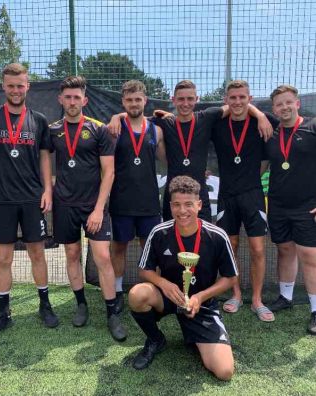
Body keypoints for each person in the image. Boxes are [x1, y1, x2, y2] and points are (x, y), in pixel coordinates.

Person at [109, 80, 272, 222]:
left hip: (200, 196)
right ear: (173, 100)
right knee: (171, 244)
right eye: (181, 99)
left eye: (189, 99)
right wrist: (117, 117)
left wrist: (260, 116)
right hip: (172, 196)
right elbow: (136, 116)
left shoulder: (207, 117)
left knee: (203, 244)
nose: (185, 103)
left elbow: (236, 105)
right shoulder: (165, 122)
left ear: (196, 99)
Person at [0, 63, 58, 340]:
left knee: (38, 253)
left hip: (33, 198)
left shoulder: (39, 120)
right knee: (3, 258)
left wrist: (47, 190)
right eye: (10, 85)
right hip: (1, 198)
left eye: (20, 85)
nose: (15, 90)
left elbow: (46, 157)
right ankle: (3, 313)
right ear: (3, 86)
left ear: (27, 86)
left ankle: (44, 305)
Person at [129, 176, 237, 380]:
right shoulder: (159, 232)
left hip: (201, 304)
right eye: (177, 205)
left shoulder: (217, 236)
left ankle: (196, 334)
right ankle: (155, 340)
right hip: (169, 297)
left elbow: (230, 279)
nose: (182, 211)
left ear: (199, 205)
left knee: (225, 372)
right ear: (170, 206)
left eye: (188, 204)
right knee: (137, 294)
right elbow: (145, 270)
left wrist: (200, 297)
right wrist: (164, 284)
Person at [49, 75, 126, 341]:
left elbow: (109, 172)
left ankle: (112, 311)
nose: (72, 102)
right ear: (61, 99)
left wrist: (98, 209)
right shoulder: (52, 130)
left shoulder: (99, 129)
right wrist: (50, 190)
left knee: (102, 257)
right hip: (64, 205)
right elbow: (45, 164)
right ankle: (81, 304)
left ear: (85, 100)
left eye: (76, 97)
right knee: (71, 256)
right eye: (67, 97)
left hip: (93, 206)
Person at [212, 80, 278, 321]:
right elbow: (189, 122)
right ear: (226, 101)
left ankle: (257, 300)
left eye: (242, 97)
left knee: (258, 249)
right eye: (233, 98)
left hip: (253, 194)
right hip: (227, 195)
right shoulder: (217, 124)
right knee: (230, 247)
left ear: (250, 99)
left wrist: (259, 115)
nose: (238, 102)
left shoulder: (264, 122)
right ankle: (236, 294)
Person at [265, 85, 316, 334]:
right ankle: (285, 297)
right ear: (273, 109)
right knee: (284, 250)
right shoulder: (272, 134)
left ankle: (315, 310)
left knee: (310, 256)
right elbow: (264, 166)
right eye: (279, 105)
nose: (284, 108)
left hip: (308, 206)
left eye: (288, 103)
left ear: (297, 103)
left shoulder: (312, 127)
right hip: (277, 204)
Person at [109, 80, 165, 313]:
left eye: (138, 99)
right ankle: (118, 291)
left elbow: (167, 161)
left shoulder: (157, 130)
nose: (134, 103)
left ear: (145, 101)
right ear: (123, 102)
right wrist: (116, 117)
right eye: (129, 100)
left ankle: (150, 291)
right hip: (121, 200)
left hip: (149, 202)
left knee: (149, 248)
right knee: (119, 247)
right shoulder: (114, 128)